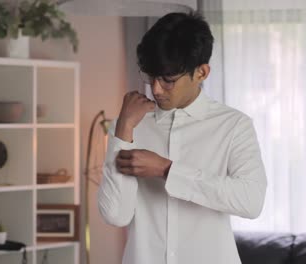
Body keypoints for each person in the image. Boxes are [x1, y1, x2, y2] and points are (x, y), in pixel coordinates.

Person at [97, 12, 267, 264]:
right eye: (150, 77)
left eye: (168, 80)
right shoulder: (130, 125)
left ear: (201, 72)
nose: (155, 89)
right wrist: (123, 129)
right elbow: (115, 215)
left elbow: (251, 201)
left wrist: (167, 169)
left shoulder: (234, 126)